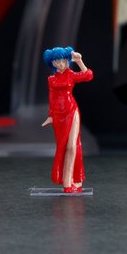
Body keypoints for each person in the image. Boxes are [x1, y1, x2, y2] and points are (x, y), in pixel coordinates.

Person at [42, 46, 94, 193]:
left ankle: (69, 182)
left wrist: (79, 61)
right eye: (58, 61)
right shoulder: (51, 79)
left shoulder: (70, 74)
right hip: (58, 116)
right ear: (52, 63)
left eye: (64, 60)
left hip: (71, 110)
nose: (61, 64)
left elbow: (89, 75)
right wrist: (50, 115)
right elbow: (52, 98)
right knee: (62, 147)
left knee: (72, 146)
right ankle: (69, 181)